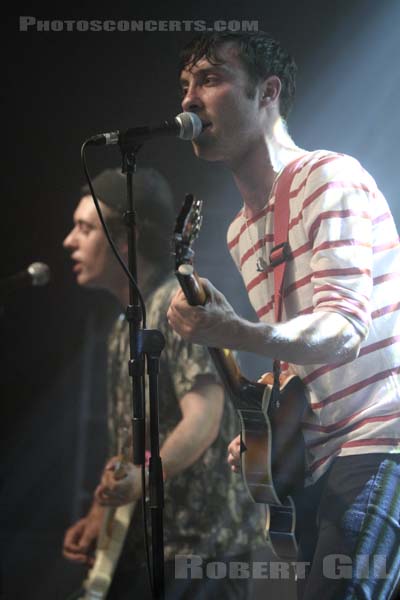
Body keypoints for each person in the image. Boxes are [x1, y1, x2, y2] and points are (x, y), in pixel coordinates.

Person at [167, 31, 400, 600]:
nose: (189, 100)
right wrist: (268, 426)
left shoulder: (328, 177)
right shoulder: (241, 231)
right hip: (322, 458)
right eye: (186, 85)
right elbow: (305, 358)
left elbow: (343, 328)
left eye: (211, 79)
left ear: (267, 92)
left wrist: (237, 332)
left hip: (382, 433)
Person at [62, 167, 266, 599]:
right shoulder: (124, 326)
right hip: (158, 550)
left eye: (84, 228)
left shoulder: (174, 308)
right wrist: (103, 510)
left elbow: (203, 420)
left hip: (203, 553)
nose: (69, 241)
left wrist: (141, 481)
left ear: (125, 240)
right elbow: (135, 444)